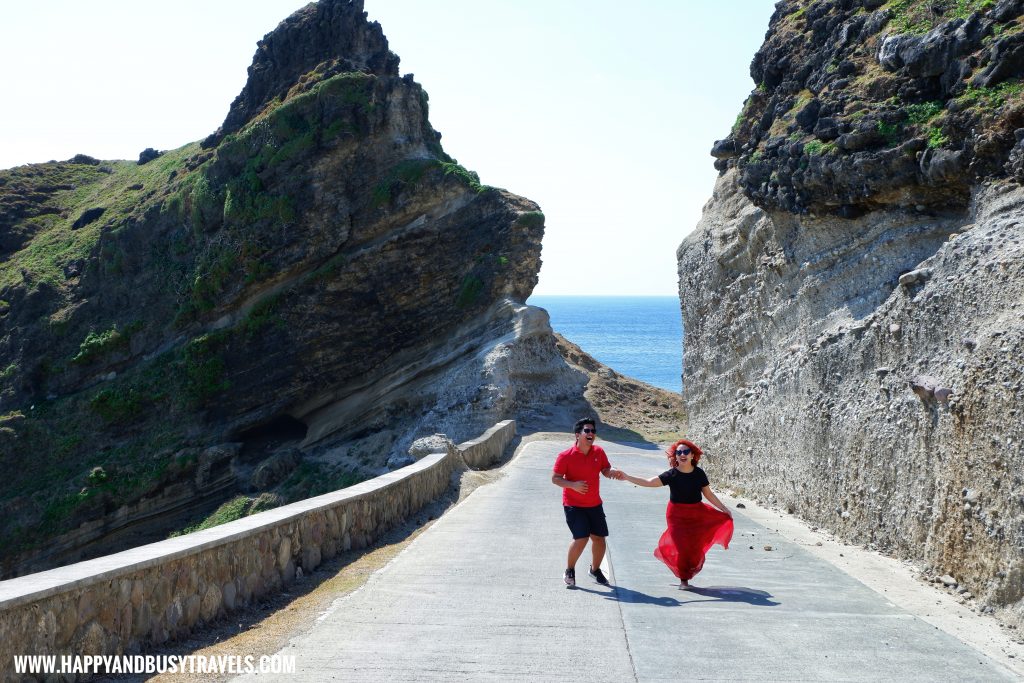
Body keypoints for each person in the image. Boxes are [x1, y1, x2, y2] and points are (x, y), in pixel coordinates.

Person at [618, 439, 733, 588]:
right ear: (675, 456)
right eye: (679, 452)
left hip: (697, 514)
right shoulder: (672, 474)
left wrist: (724, 509)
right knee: (682, 547)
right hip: (676, 516)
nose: (682, 454)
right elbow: (649, 482)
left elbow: (708, 494)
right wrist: (627, 476)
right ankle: (683, 580)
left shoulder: (699, 473)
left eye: (685, 452)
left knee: (693, 548)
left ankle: (685, 573)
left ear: (692, 455)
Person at [551, 417, 623, 588]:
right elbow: (555, 479)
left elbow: (604, 470)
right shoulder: (565, 456)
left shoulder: (599, 452)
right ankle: (570, 570)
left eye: (593, 431)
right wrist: (573, 485)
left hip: (594, 504)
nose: (591, 434)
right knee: (581, 538)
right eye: (587, 431)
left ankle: (595, 570)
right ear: (578, 435)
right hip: (573, 505)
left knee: (599, 539)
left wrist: (611, 471)